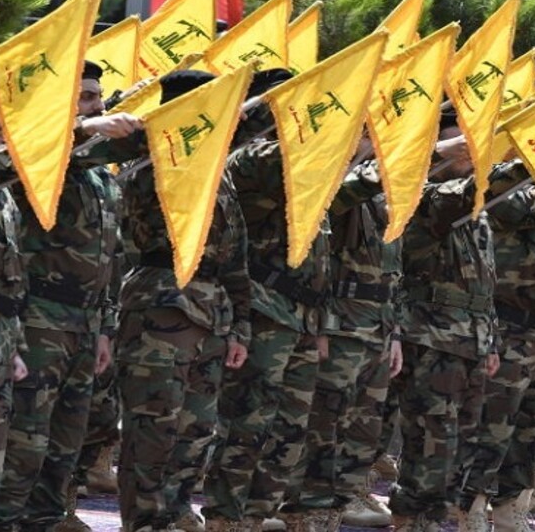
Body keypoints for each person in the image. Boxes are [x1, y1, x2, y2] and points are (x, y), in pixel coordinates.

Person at [0, 61, 129, 532]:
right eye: (85, 97)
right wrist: (83, 129)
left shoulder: (99, 175)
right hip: (38, 319)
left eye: (98, 96)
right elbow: (38, 147)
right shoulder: (41, 158)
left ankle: (47, 520)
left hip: (84, 323)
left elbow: (109, 258)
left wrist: (105, 327)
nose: (98, 105)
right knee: (23, 441)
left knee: (65, 443)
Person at [114, 70, 252, 532]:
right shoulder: (152, 164)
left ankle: (175, 513)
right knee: (154, 427)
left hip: (213, 311)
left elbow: (235, 257)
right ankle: (145, 522)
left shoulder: (220, 172)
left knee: (196, 430)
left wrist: (239, 326)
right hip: (162, 304)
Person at [201, 69, 331, 532]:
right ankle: (225, 517)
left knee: (289, 427)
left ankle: (257, 515)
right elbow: (288, 158)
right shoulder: (251, 158)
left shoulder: (312, 166)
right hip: (263, 307)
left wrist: (319, 324)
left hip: (300, 314)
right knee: (247, 420)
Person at [277, 154, 404, 531]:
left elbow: (394, 277)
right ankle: (304, 514)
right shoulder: (332, 183)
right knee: (322, 427)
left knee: (364, 433)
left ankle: (335, 511)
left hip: (377, 328)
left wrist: (394, 332)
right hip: (338, 327)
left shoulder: (387, 198)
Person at [388, 108, 499, 532]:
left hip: (472, 339)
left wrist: (491, 340)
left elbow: (485, 283)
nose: (468, 157)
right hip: (431, 337)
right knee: (430, 440)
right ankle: (411, 519)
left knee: (462, 441)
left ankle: (437, 518)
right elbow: (463, 193)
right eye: (459, 149)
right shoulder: (426, 199)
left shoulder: (477, 212)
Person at [455, 161, 535, 532]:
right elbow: (518, 204)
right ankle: (471, 509)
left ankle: (511, 508)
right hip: (510, 332)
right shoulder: (505, 184)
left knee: (530, 430)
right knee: (492, 428)